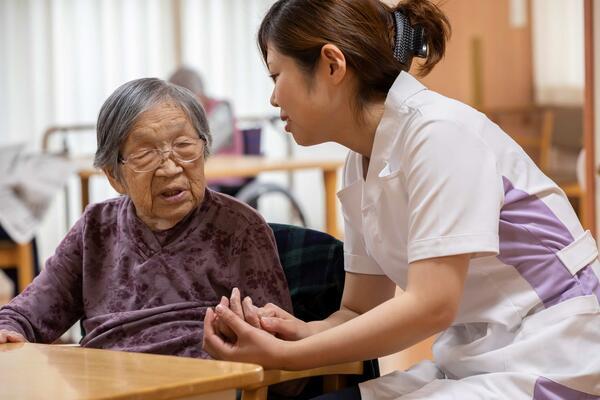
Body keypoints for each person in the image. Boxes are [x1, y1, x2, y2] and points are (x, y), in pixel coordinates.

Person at [201, 1, 600, 399]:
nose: (273, 98)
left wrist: (292, 356)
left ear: (332, 65)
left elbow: (432, 305)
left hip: (556, 352)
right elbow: (359, 311)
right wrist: (293, 333)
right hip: (477, 358)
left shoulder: (439, 134)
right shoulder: (360, 162)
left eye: (276, 75)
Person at [0, 78, 292, 359]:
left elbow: (279, 349)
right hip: (107, 386)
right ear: (114, 176)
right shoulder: (96, 229)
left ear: (205, 149)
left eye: (184, 145)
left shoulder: (240, 228)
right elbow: (26, 314)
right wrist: (9, 328)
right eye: (145, 153)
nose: (170, 167)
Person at [168, 67, 247, 196]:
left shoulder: (221, 109)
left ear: (200, 95)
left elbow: (204, 147)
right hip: (196, 177)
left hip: (223, 180)